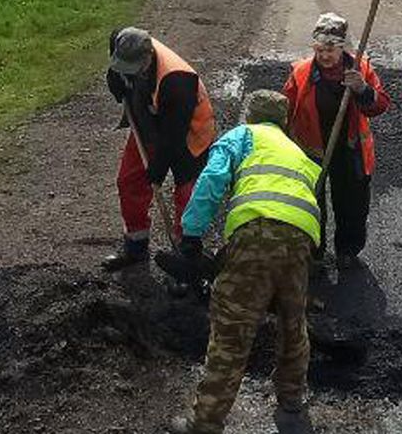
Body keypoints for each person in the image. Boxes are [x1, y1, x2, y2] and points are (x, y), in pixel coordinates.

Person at [164, 91, 320, 434]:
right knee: (293, 325)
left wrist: (191, 234)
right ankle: (292, 406)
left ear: (249, 115)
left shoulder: (242, 135)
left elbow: (212, 180)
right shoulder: (298, 152)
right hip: (300, 240)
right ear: (283, 121)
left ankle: (204, 423)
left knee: (233, 330)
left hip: (257, 232)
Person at [102, 27, 216, 271]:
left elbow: (173, 137)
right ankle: (136, 246)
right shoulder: (122, 41)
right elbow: (116, 73)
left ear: (148, 58)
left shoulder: (178, 81)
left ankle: (185, 257)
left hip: (189, 132)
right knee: (130, 181)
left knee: (187, 196)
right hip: (148, 119)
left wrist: (157, 170)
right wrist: (115, 82)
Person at [283, 12, 390, 269]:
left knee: (352, 204)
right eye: (319, 49)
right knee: (310, 204)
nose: (325, 55)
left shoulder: (361, 69)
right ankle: (314, 253)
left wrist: (363, 89)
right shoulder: (300, 73)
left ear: (342, 48)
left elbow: (381, 105)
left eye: (330, 49)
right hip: (310, 152)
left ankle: (348, 251)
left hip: (349, 149)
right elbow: (285, 108)